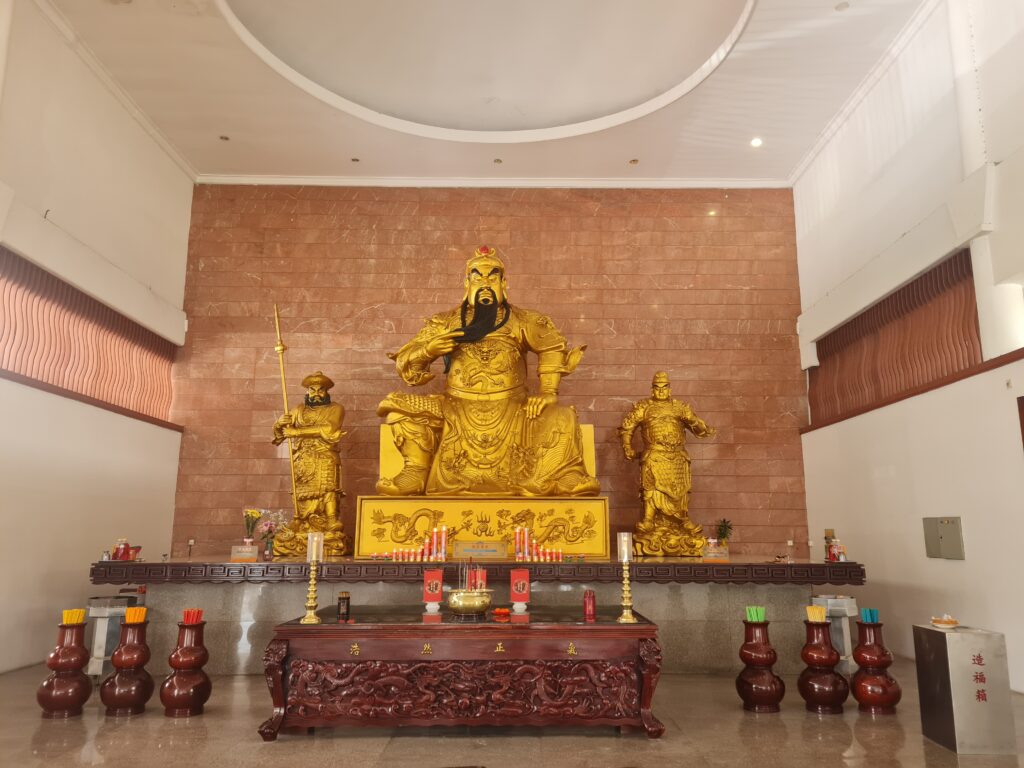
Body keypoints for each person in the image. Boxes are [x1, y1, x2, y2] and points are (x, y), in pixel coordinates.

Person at [376, 246, 599, 497]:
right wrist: (428, 350)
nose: (485, 283)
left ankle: (566, 475)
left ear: (504, 283)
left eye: (492, 278)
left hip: (513, 407)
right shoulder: (445, 322)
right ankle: (415, 472)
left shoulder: (524, 320)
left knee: (562, 417)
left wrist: (548, 392)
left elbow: (551, 347)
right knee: (398, 409)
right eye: (477, 277)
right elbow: (407, 363)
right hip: (456, 406)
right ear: (466, 283)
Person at [619, 371, 715, 556]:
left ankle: (683, 520)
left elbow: (699, 429)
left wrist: (694, 421)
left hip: (677, 455)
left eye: (665, 387)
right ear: (652, 389)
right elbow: (627, 427)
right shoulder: (644, 406)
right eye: (657, 387)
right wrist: (627, 447)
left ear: (670, 389)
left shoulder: (679, 407)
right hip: (655, 454)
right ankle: (649, 519)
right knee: (651, 486)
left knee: (682, 488)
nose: (661, 391)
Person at [271, 371, 348, 556]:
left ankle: (330, 521)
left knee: (328, 487)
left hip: (324, 454)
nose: (316, 393)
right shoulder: (298, 410)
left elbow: (329, 428)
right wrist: (279, 424)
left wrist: (297, 433)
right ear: (307, 391)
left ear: (327, 391)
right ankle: (301, 521)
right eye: (312, 390)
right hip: (303, 457)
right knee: (302, 491)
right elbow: (281, 435)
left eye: (320, 390)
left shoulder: (336, 408)